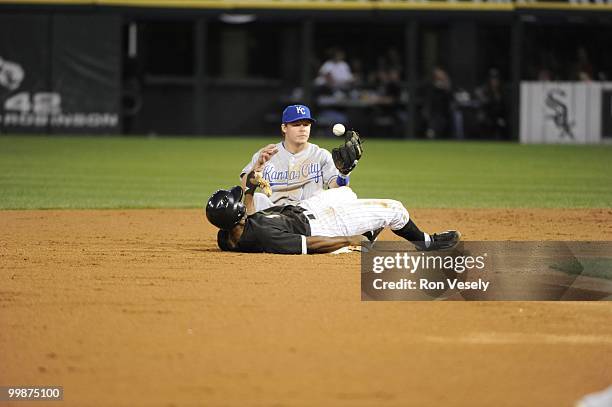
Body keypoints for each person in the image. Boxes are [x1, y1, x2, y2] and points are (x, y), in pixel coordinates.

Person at [205, 184, 461, 255]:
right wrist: (348, 240)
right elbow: (309, 244)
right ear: (236, 216)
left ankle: (369, 232)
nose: (242, 201)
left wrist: (249, 188)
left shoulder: (227, 235)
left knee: (346, 192)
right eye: (238, 202)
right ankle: (426, 243)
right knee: (394, 209)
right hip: (321, 225)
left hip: (303, 208)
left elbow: (246, 216)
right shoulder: (264, 235)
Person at [240, 104, 359, 212]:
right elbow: (244, 188)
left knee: (347, 194)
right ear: (284, 128)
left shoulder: (321, 155)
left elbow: (337, 189)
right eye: (296, 125)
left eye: (306, 124)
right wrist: (257, 167)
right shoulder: (267, 154)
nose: (302, 128)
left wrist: (344, 174)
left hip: (308, 214)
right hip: (272, 214)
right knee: (257, 198)